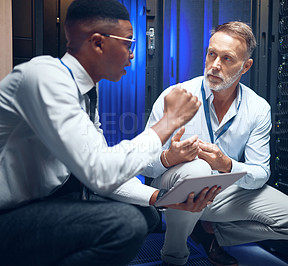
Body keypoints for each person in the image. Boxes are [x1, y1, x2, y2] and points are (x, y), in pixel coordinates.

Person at [0, 0, 220, 265]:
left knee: (148, 214)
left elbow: (105, 166)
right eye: (129, 43)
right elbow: (100, 173)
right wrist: (168, 122)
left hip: (46, 201)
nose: (132, 54)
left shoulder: (85, 91)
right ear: (97, 42)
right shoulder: (43, 77)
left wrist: (162, 199)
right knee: (125, 224)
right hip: (10, 213)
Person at [143, 21, 288, 266]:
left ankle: (208, 234)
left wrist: (227, 164)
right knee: (197, 170)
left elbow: (261, 172)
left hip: (222, 193)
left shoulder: (258, 109)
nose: (215, 65)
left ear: (245, 66)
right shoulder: (175, 95)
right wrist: (170, 158)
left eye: (227, 59)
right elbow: (143, 165)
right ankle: (174, 255)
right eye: (212, 54)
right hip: (173, 191)